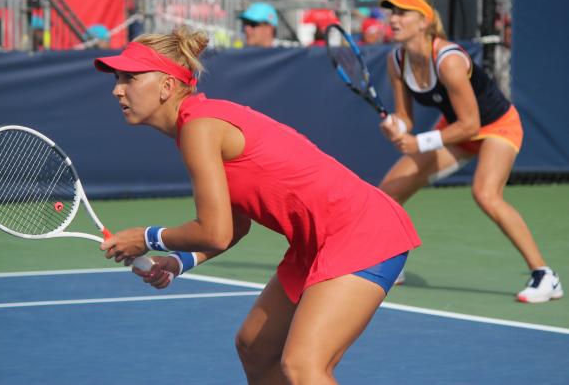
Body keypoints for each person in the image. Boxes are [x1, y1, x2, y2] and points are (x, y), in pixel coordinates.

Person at [94, 26, 421, 383]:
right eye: (117, 78)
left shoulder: (199, 128)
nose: (117, 89)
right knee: (256, 347)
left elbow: (214, 233)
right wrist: (179, 261)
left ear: (166, 87)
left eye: (129, 78)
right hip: (316, 242)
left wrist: (146, 237)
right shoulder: (199, 124)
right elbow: (235, 224)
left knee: (304, 366)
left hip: (361, 230)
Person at [377, 0, 563, 303]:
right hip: (455, 129)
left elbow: (472, 125)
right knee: (388, 193)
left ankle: (545, 275)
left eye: (402, 13)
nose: (393, 19)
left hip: (495, 126)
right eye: (391, 13)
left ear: (423, 21)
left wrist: (418, 141)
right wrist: (396, 127)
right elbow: (405, 116)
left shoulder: (448, 60)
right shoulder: (396, 61)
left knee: (486, 194)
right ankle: (393, 263)